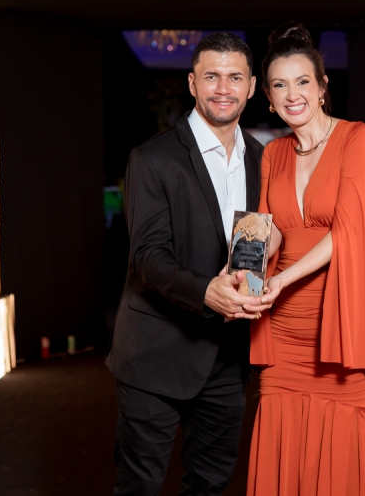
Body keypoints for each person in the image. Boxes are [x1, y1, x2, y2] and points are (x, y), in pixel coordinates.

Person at [105, 32, 268, 496]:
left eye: (235, 77)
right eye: (212, 76)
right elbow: (147, 257)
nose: (223, 88)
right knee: (139, 487)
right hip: (155, 355)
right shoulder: (152, 158)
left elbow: (259, 242)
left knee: (210, 486)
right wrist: (205, 292)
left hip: (228, 358)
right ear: (193, 83)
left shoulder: (263, 159)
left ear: (251, 87)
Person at [246, 22, 365, 496]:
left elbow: (349, 232)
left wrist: (281, 280)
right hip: (284, 332)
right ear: (268, 98)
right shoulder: (273, 154)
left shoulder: (358, 139)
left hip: (343, 325)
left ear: (322, 86)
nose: (292, 94)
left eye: (302, 82)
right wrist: (241, 276)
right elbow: (267, 229)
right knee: (284, 455)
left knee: (341, 465)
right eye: (279, 85)